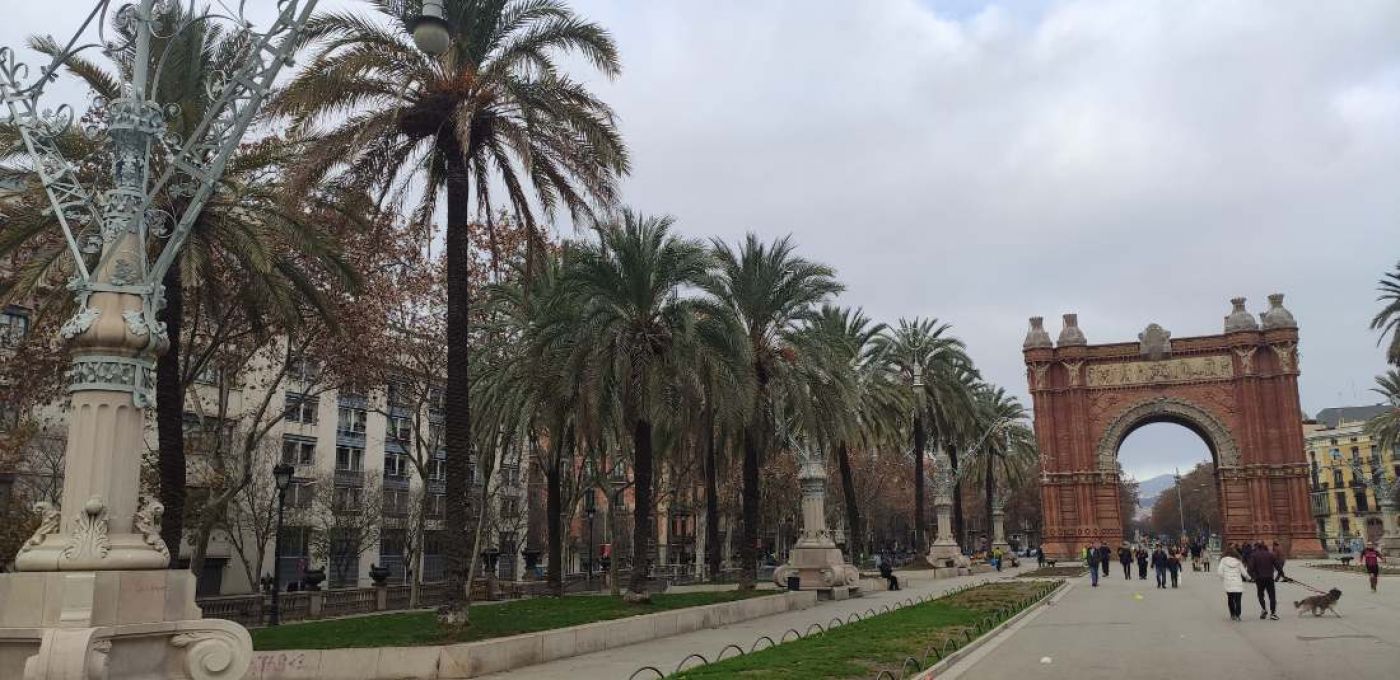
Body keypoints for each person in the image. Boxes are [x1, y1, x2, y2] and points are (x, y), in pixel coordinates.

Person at [1247, 541, 1283, 620]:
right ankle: (1273, 613)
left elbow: (1249, 569)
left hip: (1259, 579)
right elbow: (1278, 566)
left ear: (1257, 548)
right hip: (1269, 578)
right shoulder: (1270, 555)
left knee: (1260, 595)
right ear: (1265, 548)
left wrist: (1254, 577)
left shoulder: (1254, 555)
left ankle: (1264, 609)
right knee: (1272, 596)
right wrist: (1282, 574)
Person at [1216, 546, 1246, 620]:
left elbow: (1219, 572)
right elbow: (1244, 573)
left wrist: (1223, 578)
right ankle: (1238, 615)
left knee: (1230, 599)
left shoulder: (1223, 560)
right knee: (1238, 600)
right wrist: (1249, 578)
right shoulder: (1238, 561)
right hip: (1238, 583)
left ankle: (1232, 614)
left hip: (1228, 583)